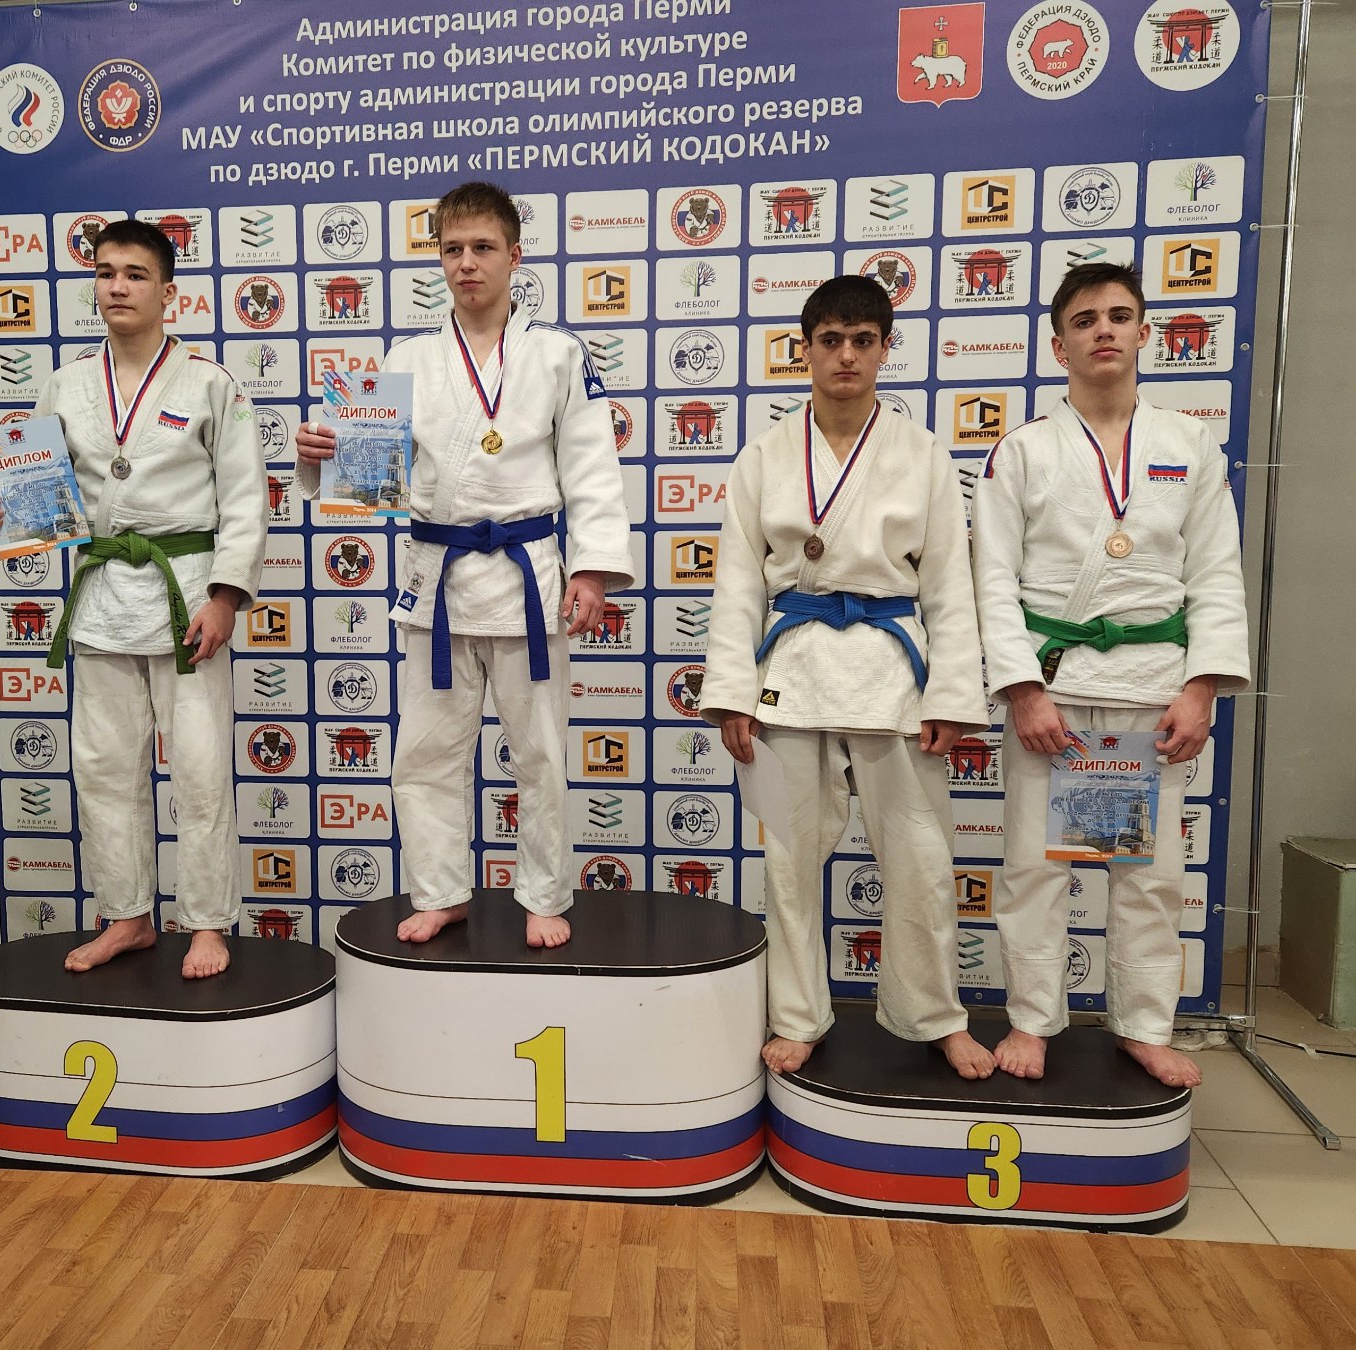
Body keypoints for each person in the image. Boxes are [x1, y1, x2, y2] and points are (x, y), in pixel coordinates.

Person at [296, 181, 634, 949]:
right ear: (438, 259)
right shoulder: (406, 358)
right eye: (452, 249)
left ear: (515, 255)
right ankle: (441, 891)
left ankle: (544, 893)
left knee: (540, 754)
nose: (467, 263)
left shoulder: (558, 355)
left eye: (483, 248)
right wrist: (319, 460)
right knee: (424, 754)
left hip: (527, 577)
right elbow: (370, 477)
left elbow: (592, 470)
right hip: (437, 580)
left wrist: (591, 571)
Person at [698, 276, 995, 1078]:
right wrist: (731, 693)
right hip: (792, 668)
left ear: (885, 349)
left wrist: (953, 693)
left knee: (921, 861)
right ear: (804, 349)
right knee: (789, 862)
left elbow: (949, 586)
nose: (846, 356)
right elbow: (737, 583)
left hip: (892, 669)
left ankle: (936, 1016)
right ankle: (798, 1014)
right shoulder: (764, 456)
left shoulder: (923, 455)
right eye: (830, 340)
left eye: (863, 340)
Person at [0, 219, 266, 978]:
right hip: (100, 594)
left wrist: (226, 598)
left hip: (186, 592)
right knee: (103, 769)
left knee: (199, 769)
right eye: (105, 272)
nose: (117, 286)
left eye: (135, 274)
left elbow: (245, 499)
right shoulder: (64, 385)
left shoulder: (211, 383)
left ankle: (207, 922)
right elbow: (35, 505)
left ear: (168, 292)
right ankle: (126, 915)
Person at [971, 262, 1249, 1088]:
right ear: (1059, 346)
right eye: (1085, 319)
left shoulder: (1188, 444)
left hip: (1152, 689)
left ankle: (1143, 1025)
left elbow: (1216, 573)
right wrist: (1022, 689)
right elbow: (992, 579)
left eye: (1120, 316)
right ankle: (1032, 1020)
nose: (1104, 330)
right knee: (1035, 868)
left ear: (1144, 334)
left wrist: (1201, 686)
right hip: (1054, 690)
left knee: (1149, 876)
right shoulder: (1022, 451)